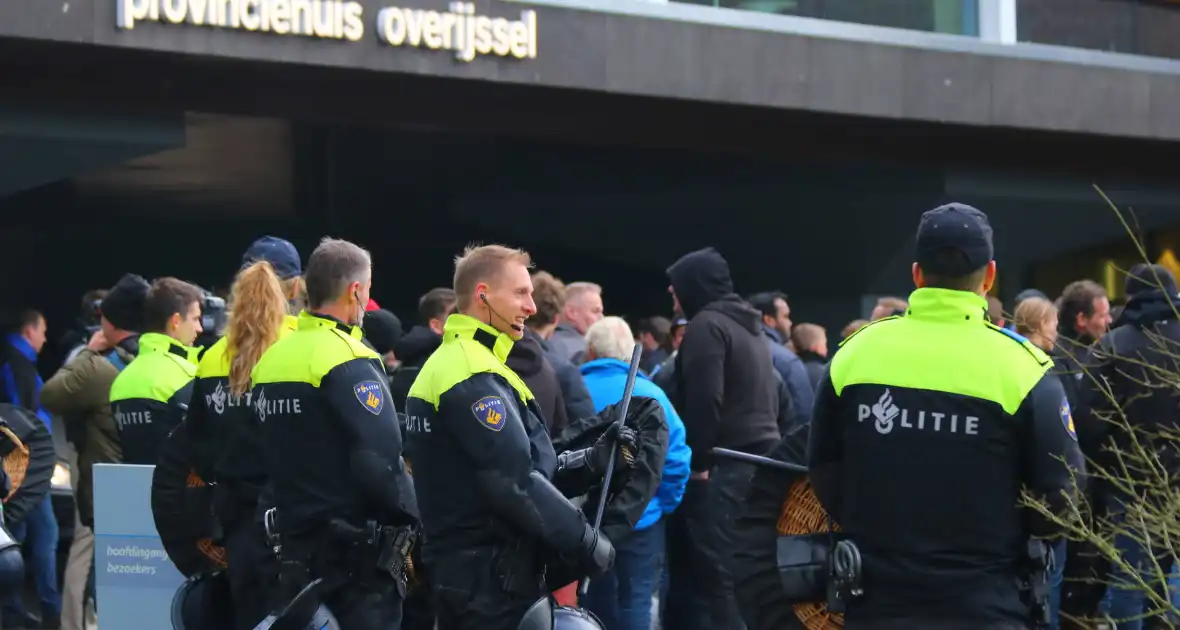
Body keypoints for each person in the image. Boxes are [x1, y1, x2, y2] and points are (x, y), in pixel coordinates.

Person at [807, 203, 1082, 630]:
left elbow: (822, 468)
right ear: (989, 276)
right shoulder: (1026, 369)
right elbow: (1063, 492)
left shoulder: (855, 355)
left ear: (917, 274)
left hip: (877, 601)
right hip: (988, 603)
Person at [403, 244, 634, 630]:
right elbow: (513, 481)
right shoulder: (469, 371)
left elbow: (522, 466)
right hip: (486, 588)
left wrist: (590, 461)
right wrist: (585, 541)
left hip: (482, 580)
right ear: (483, 296)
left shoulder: (473, 363)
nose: (531, 305)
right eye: (520, 293)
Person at [250, 237, 419, 629]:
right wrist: (415, 523)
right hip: (356, 563)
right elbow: (381, 462)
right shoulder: (351, 358)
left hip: (290, 554)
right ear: (356, 291)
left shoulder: (271, 359)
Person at [664, 247, 780, 630]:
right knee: (744, 574)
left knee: (718, 577)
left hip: (725, 467)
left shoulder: (707, 326)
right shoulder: (748, 327)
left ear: (693, 287)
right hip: (759, 465)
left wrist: (698, 464)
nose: (671, 292)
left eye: (676, 285)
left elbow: (704, 399)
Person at [184, 256, 298, 630]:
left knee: (245, 602)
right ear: (285, 297)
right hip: (289, 505)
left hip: (234, 506)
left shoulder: (212, 357)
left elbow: (195, 440)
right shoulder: (295, 349)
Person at [40, 274, 148, 630]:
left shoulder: (96, 365)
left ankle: (76, 624)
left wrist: (89, 350)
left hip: (107, 485)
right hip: (148, 482)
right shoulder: (155, 357)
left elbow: (51, 395)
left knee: (96, 562)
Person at [579, 316, 690, 630]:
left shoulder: (575, 388)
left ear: (589, 351)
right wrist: (662, 503)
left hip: (586, 520)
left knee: (591, 600)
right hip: (642, 518)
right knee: (637, 600)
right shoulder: (653, 393)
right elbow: (677, 458)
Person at [0, 309, 60, 630]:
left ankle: (17, 608)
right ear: (28, 332)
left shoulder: (15, 362)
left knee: (21, 535)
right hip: (28, 468)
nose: (46, 338)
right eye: (43, 331)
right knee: (39, 535)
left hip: (25, 467)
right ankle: (48, 610)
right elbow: (18, 422)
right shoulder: (17, 365)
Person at [109, 277, 204, 465]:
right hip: (180, 490)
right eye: (195, 319)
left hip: (133, 489)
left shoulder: (121, 379)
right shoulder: (188, 375)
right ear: (176, 321)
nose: (199, 328)